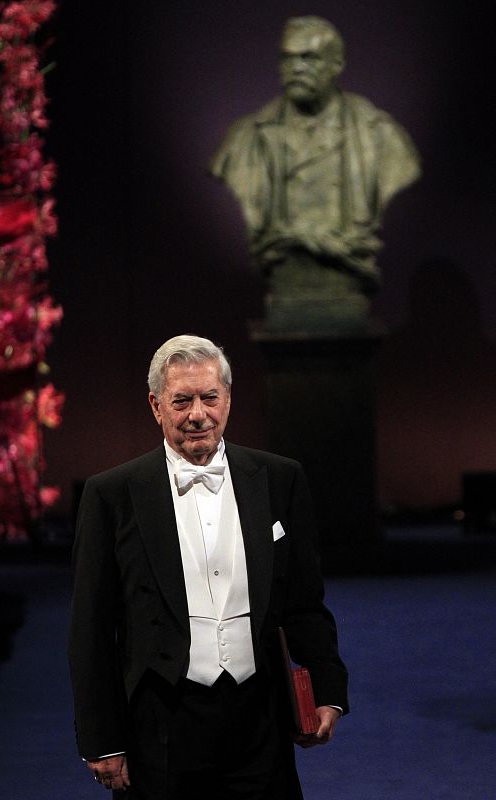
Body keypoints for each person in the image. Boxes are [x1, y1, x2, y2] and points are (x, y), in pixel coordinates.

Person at [68, 334, 349, 799]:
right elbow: (91, 629)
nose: (198, 414)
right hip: (160, 724)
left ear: (228, 399)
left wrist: (327, 688)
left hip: (260, 717)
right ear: (156, 406)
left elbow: (304, 601)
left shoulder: (280, 479)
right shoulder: (111, 494)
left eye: (209, 398)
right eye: (182, 401)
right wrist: (101, 738)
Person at [210, 16, 421, 331]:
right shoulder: (246, 138)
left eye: (308, 58)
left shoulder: (380, 136)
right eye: (288, 58)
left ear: (337, 65)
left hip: (348, 288)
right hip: (284, 287)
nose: (296, 67)